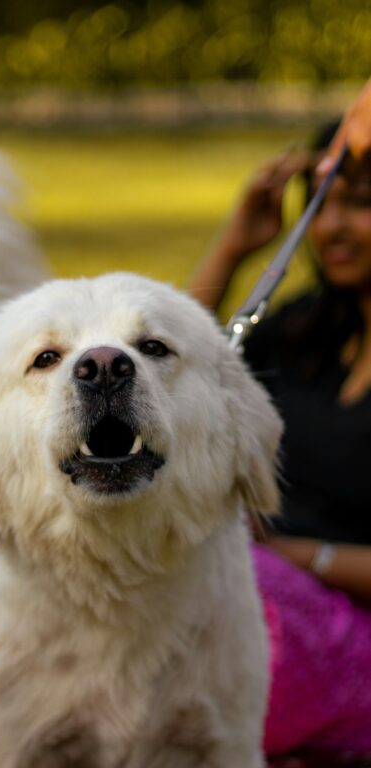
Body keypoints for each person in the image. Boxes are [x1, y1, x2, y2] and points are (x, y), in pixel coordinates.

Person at [191, 121, 371, 759]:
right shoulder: (303, 331)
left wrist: (296, 557)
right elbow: (165, 376)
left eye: (362, 202)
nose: (333, 229)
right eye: (320, 206)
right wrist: (235, 246)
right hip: (260, 591)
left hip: (343, 634)